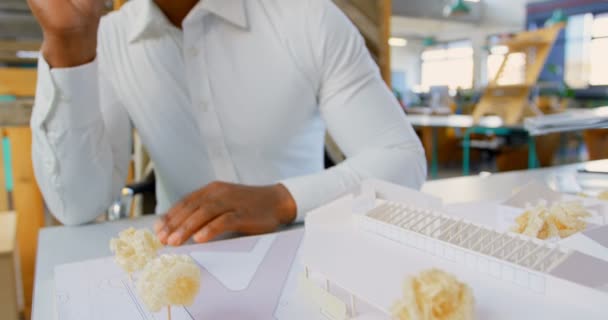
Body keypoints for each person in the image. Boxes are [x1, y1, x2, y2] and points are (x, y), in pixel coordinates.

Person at [28, 0, 426, 246]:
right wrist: (69, 43)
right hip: (179, 266)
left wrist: (282, 200)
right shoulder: (108, 37)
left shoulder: (308, 17)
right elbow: (77, 206)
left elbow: (402, 160)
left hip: (305, 254)